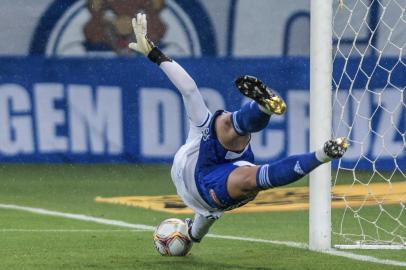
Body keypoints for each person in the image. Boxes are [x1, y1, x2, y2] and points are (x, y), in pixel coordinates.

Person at [128, 13, 348, 243]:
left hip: (206, 180)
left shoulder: (203, 132)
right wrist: (191, 237)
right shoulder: (219, 186)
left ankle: (264, 109)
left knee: (227, 130)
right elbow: (190, 90)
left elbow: (190, 90)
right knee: (246, 169)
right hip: (211, 189)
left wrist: (155, 54)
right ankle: (264, 111)